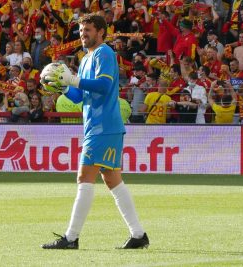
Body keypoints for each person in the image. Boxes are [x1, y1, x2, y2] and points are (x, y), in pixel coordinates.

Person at [40, 13, 149, 249]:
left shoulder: (104, 53)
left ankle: (71, 238)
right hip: (99, 127)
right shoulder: (86, 58)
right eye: (80, 31)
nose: (83, 34)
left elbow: (104, 84)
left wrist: (74, 80)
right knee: (113, 181)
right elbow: (80, 96)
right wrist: (62, 87)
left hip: (103, 127)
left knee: (84, 177)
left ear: (101, 31)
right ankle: (139, 235)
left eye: (87, 30)